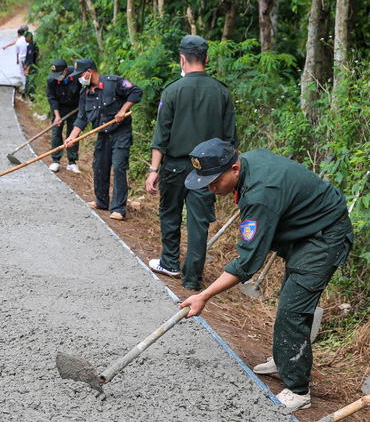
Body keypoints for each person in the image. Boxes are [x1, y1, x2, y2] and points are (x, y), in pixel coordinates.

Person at [180, 138, 354, 412]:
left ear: (234, 168)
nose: (211, 188)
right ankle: (286, 359)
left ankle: (298, 390)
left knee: (292, 310)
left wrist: (204, 296)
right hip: (307, 229)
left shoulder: (261, 194)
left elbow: (247, 263)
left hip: (324, 236)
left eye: (214, 181)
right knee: (292, 300)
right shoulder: (248, 164)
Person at [145, 35, 240, 291]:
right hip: (209, 171)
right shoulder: (221, 92)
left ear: (182, 59)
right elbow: (231, 141)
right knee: (199, 221)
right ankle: (192, 278)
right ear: (206, 59)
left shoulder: (173, 90)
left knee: (170, 213)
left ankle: (170, 262)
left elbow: (161, 137)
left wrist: (154, 170)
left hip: (175, 166)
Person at [65, 58, 142, 221]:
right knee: (99, 165)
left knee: (119, 167)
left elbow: (136, 91)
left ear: (89, 72)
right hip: (103, 134)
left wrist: (122, 111)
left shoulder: (114, 83)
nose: (79, 78)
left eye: (80, 75)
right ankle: (101, 200)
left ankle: (119, 208)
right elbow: (82, 117)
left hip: (120, 133)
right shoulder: (84, 93)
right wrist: (72, 137)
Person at [46, 59, 81, 173]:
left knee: (73, 134)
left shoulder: (77, 75)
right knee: (56, 132)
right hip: (59, 108)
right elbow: (52, 98)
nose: (56, 77)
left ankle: (72, 162)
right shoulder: (51, 80)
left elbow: (84, 91)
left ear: (65, 71)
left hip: (75, 108)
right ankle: (56, 160)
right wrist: (57, 115)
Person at [22, 31, 39, 100]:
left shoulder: (32, 46)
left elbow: (31, 59)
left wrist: (27, 70)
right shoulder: (29, 46)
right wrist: (25, 65)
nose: (25, 39)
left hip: (32, 68)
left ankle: (32, 96)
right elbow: (28, 57)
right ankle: (26, 94)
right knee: (27, 82)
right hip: (29, 66)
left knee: (31, 82)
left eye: (26, 37)